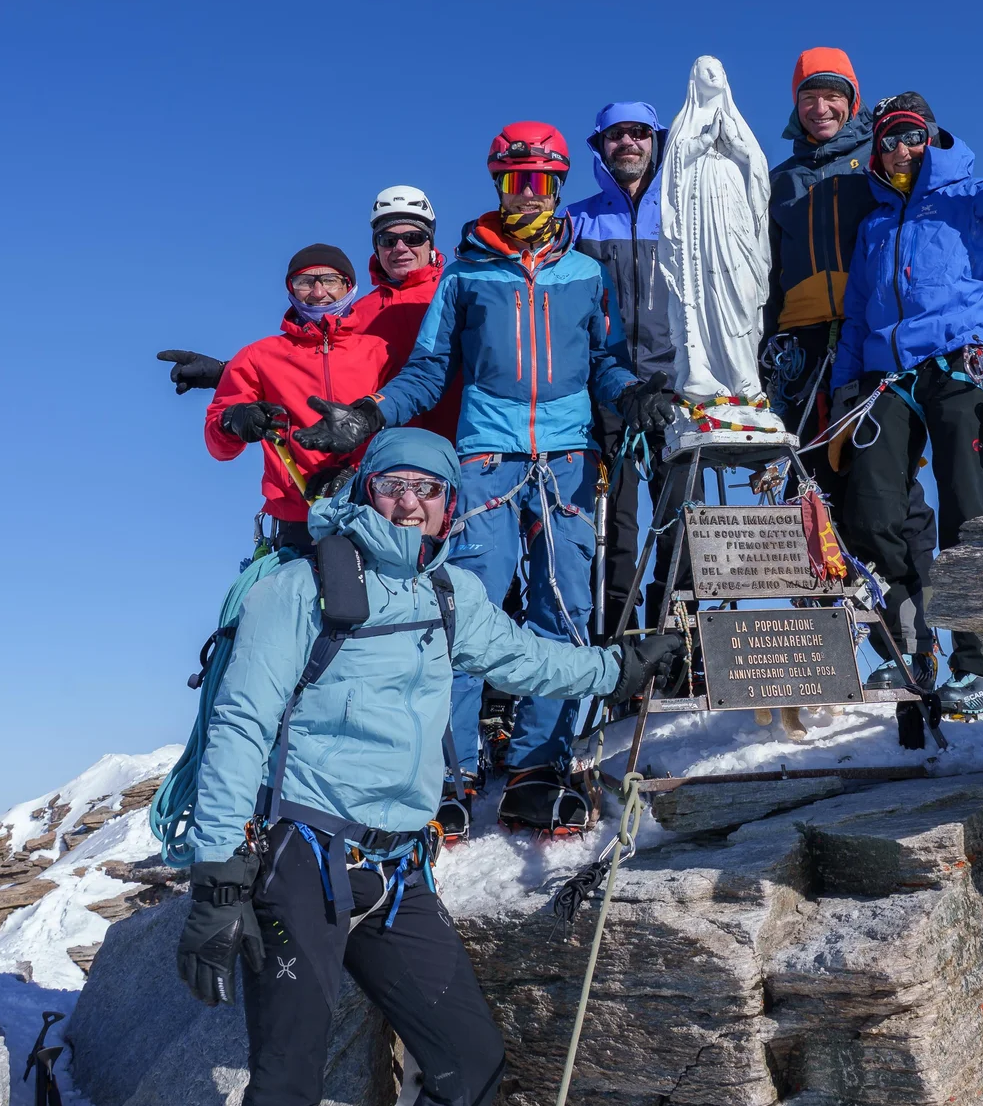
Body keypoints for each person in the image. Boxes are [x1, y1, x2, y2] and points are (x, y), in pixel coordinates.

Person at [176, 428, 683, 1106]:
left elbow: (526, 660)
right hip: (302, 855)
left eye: (429, 489)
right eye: (394, 485)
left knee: (469, 1062)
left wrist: (617, 670)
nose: (410, 503)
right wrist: (219, 875)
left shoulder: (452, 593)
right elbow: (240, 724)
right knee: (285, 1091)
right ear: (367, 491)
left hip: (396, 871)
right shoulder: (297, 589)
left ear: (451, 504)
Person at [295, 122, 680, 836]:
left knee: (562, 614)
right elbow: (430, 369)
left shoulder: (585, 274)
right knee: (459, 612)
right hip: (483, 462)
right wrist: (366, 416)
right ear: (496, 185)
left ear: (559, 183)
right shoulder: (467, 274)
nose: (524, 195)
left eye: (537, 181)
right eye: (511, 181)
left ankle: (539, 767)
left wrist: (632, 395)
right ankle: (449, 772)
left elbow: (606, 360)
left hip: (566, 460)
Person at [832, 32, 983, 718]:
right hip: (884, 382)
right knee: (872, 515)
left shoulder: (969, 199)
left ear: (933, 136)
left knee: (966, 517)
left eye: (912, 135)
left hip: (958, 371)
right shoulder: (875, 224)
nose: (900, 149)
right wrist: (841, 394)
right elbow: (856, 317)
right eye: (888, 139)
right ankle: (909, 652)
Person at [763, 47, 941, 680]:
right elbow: (768, 273)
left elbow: (927, 210)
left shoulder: (883, 154)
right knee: (807, 491)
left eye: (834, 94)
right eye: (810, 96)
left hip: (871, 340)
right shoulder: (780, 179)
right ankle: (815, 658)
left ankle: (913, 645)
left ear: (854, 99)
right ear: (795, 104)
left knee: (886, 491)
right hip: (800, 350)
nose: (822, 107)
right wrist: (764, 351)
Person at [564, 102, 685, 633]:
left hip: (679, 386)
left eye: (639, 134)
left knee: (685, 518)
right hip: (607, 390)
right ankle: (619, 643)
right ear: (600, 146)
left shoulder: (685, 212)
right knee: (615, 526)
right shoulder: (576, 220)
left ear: (655, 141)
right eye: (616, 136)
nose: (628, 143)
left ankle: (679, 635)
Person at [197, 245, 389, 550]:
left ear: (348, 287)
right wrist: (234, 420)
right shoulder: (258, 356)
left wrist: (355, 471)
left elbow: (402, 425)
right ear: (291, 288)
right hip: (295, 521)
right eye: (304, 281)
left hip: (375, 511)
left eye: (329, 280)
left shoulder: (379, 352)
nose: (317, 292)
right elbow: (217, 445)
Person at [348, 186, 463, 441]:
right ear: (376, 248)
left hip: (468, 449)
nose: (400, 248)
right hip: (392, 459)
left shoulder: (459, 290)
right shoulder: (356, 316)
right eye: (388, 240)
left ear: (430, 242)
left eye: (413, 238)